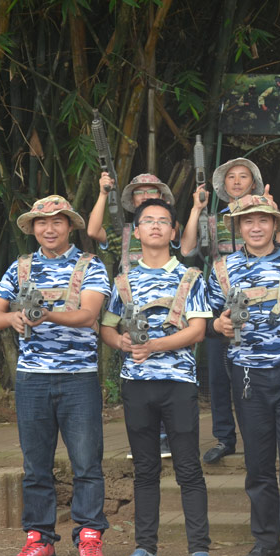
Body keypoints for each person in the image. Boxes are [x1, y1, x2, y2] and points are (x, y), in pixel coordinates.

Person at [0, 196, 110, 556]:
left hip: (79, 378)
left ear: (70, 226)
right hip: (32, 379)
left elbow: (88, 315)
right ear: (33, 228)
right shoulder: (20, 267)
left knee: (86, 463)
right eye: (42, 223)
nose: (49, 228)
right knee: (35, 465)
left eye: (58, 221)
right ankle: (39, 540)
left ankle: (89, 536)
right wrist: (11, 319)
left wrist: (46, 315)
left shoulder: (89, 265)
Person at [99, 198, 216, 556]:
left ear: (174, 231)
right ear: (136, 231)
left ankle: (199, 548)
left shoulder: (190, 277)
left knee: (188, 467)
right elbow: (107, 327)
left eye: (163, 221)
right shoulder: (123, 280)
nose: (154, 226)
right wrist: (121, 342)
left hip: (178, 382)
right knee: (145, 469)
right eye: (147, 220)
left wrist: (154, 346)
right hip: (136, 384)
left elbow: (197, 331)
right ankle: (144, 546)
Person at [206, 194, 280, 556]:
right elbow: (205, 319)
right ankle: (267, 541)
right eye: (248, 221)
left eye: (263, 220)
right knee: (258, 462)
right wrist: (217, 325)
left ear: (275, 224)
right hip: (247, 374)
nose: (256, 227)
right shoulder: (222, 268)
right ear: (238, 227)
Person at [183, 157, 270, 464]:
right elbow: (187, 249)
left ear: (253, 183)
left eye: (243, 176)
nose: (236, 181)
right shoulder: (211, 219)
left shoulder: (265, 213)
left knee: (260, 372)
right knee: (218, 376)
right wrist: (196, 209)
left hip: (260, 300)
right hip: (219, 299)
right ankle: (224, 437)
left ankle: (262, 439)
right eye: (231, 176)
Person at [87, 173, 176, 458]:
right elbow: (93, 230)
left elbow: (186, 247)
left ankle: (167, 438)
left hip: (166, 308)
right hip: (131, 309)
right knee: (137, 371)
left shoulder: (167, 227)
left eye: (152, 191)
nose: (145, 196)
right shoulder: (123, 233)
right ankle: (145, 440)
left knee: (168, 371)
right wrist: (103, 193)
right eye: (139, 192)